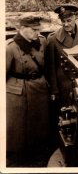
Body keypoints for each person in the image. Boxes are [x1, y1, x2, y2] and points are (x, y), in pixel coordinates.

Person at [6, 16, 50, 166]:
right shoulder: (10, 47)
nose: (37, 33)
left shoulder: (42, 42)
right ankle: (16, 156)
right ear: (22, 28)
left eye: (38, 29)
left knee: (40, 122)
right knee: (19, 126)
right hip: (20, 91)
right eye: (34, 29)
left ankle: (38, 153)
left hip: (39, 87)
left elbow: (47, 65)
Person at [45, 4, 78, 106]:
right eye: (63, 21)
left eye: (69, 20)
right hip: (64, 84)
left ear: (75, 17)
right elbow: (51, 67)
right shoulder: (53, 39)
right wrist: (54, 90)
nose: (66, 24)